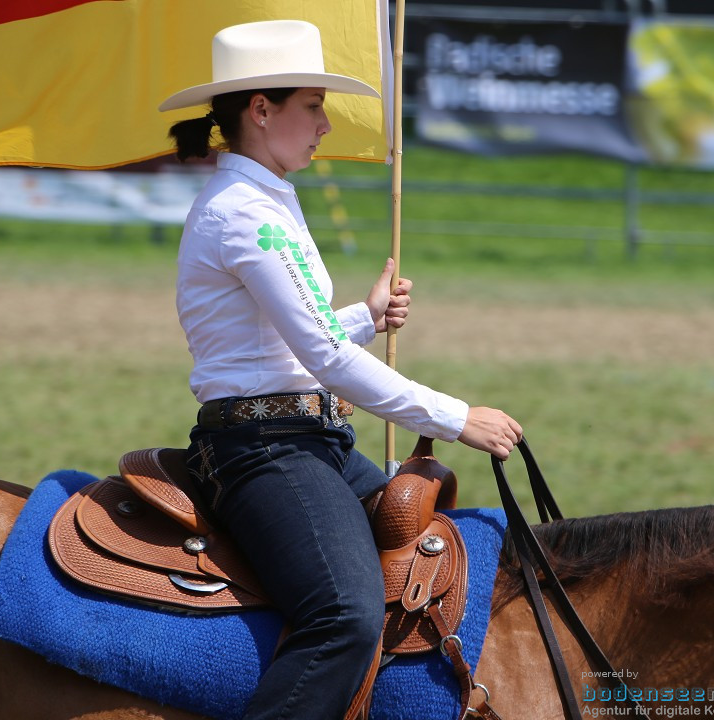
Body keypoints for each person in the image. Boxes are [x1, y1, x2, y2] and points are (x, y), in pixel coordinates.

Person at [158, 19, 522, 720]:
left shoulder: (264, 203)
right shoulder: (247, 215)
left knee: (434, 559)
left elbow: (293, 340)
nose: (326, 123)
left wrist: (365, 315)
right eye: (313, 105)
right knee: (344, 618)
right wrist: (456, 418)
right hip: (264, 451)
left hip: (306, 439)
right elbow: (324, 358)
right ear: (262, 110)